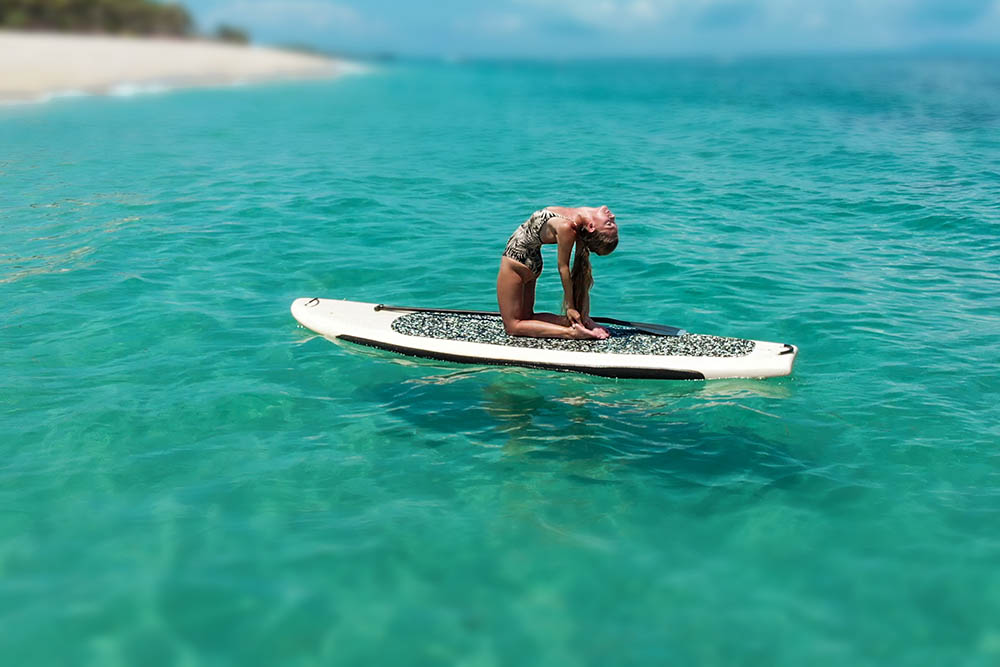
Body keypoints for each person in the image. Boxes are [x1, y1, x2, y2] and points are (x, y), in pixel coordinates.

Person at [497, 205, 619, 339]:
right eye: (612, 222)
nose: (612, 216)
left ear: (591, 227)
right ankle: (581, 323)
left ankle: (572, 333)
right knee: (527, 318)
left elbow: (563, 268)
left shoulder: (567, 227)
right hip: (530, 262)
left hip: (515, 262)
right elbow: (577, 268)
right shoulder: (575, 221)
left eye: (608, 223)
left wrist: (570, 307)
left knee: (512, 326)